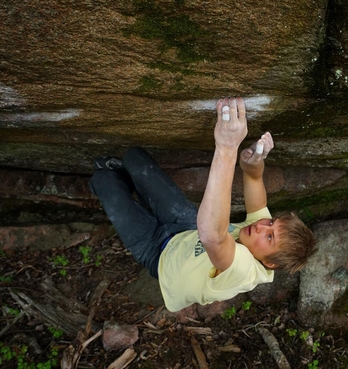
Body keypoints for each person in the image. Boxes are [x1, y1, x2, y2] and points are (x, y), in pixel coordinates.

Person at [89, 97, 317, 312]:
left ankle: (115, 180)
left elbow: (212, 237)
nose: (262, 226)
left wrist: (227, 149)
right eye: (272, 223)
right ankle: (124, 176)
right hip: (186, 226)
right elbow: (254, 179)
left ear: (269, 262)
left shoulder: (245, 271)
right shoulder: (258, 230)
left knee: (102, 180)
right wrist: (254, 164)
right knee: (134, 158)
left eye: (270, 238)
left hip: (156, 256)